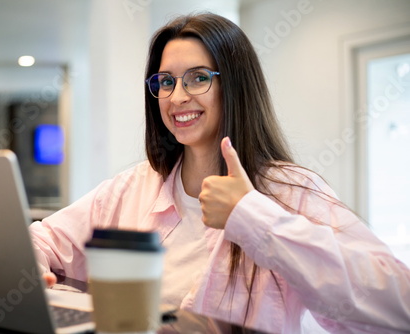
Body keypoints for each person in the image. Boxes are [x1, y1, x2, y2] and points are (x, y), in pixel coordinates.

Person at [29, 13, 410, 333]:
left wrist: (252, 216)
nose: (177, 97)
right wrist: (33, 266)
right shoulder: (133, 187)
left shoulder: (291, 191)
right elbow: (42, 239)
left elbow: (398, 307)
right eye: (165, 81)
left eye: (198, 78)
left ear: (235, 86)